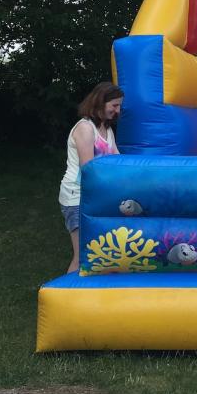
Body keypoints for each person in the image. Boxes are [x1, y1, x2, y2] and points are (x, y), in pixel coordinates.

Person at [59, 82, 123, 273]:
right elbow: (88, 169)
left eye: (119, 106)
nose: (118, 110)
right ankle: (68, 291)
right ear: (100, 102)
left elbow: (119, 162)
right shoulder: (85, 128)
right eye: (114, 105)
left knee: (99, 253)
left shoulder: (107, 129)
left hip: (95, 195)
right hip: (77, 196)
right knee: (82, 256)